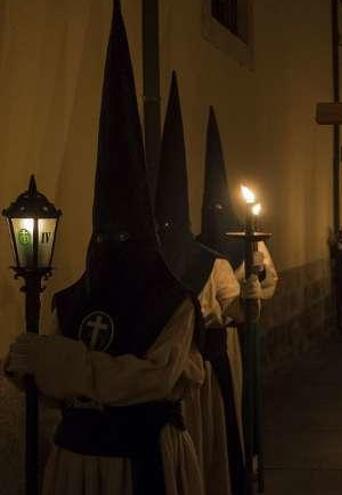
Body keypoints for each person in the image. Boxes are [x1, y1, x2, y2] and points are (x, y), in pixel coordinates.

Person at [4, 3, 203, 492]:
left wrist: (62, 364)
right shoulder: (72, 299)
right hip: (76, 462)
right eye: (105, 239)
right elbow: (50, 387)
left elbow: (150, 380)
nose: (113, 249)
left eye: (124, 240)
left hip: (139, 463)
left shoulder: (170, 302)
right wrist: (30, 365)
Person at [153, 74, 262, 495]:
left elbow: (237, 313)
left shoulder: (210, 264)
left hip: (203, 372)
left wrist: (250, 298)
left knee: (208, 449)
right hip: (162, 383)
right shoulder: (152, 264)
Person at [197, 105, 279, 492]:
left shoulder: (252, 243)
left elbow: (270, 282)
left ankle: (252, 456)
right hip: (221, 339)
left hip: (244, 331)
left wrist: (255, 289)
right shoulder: (201, 254)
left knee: (247, 396)